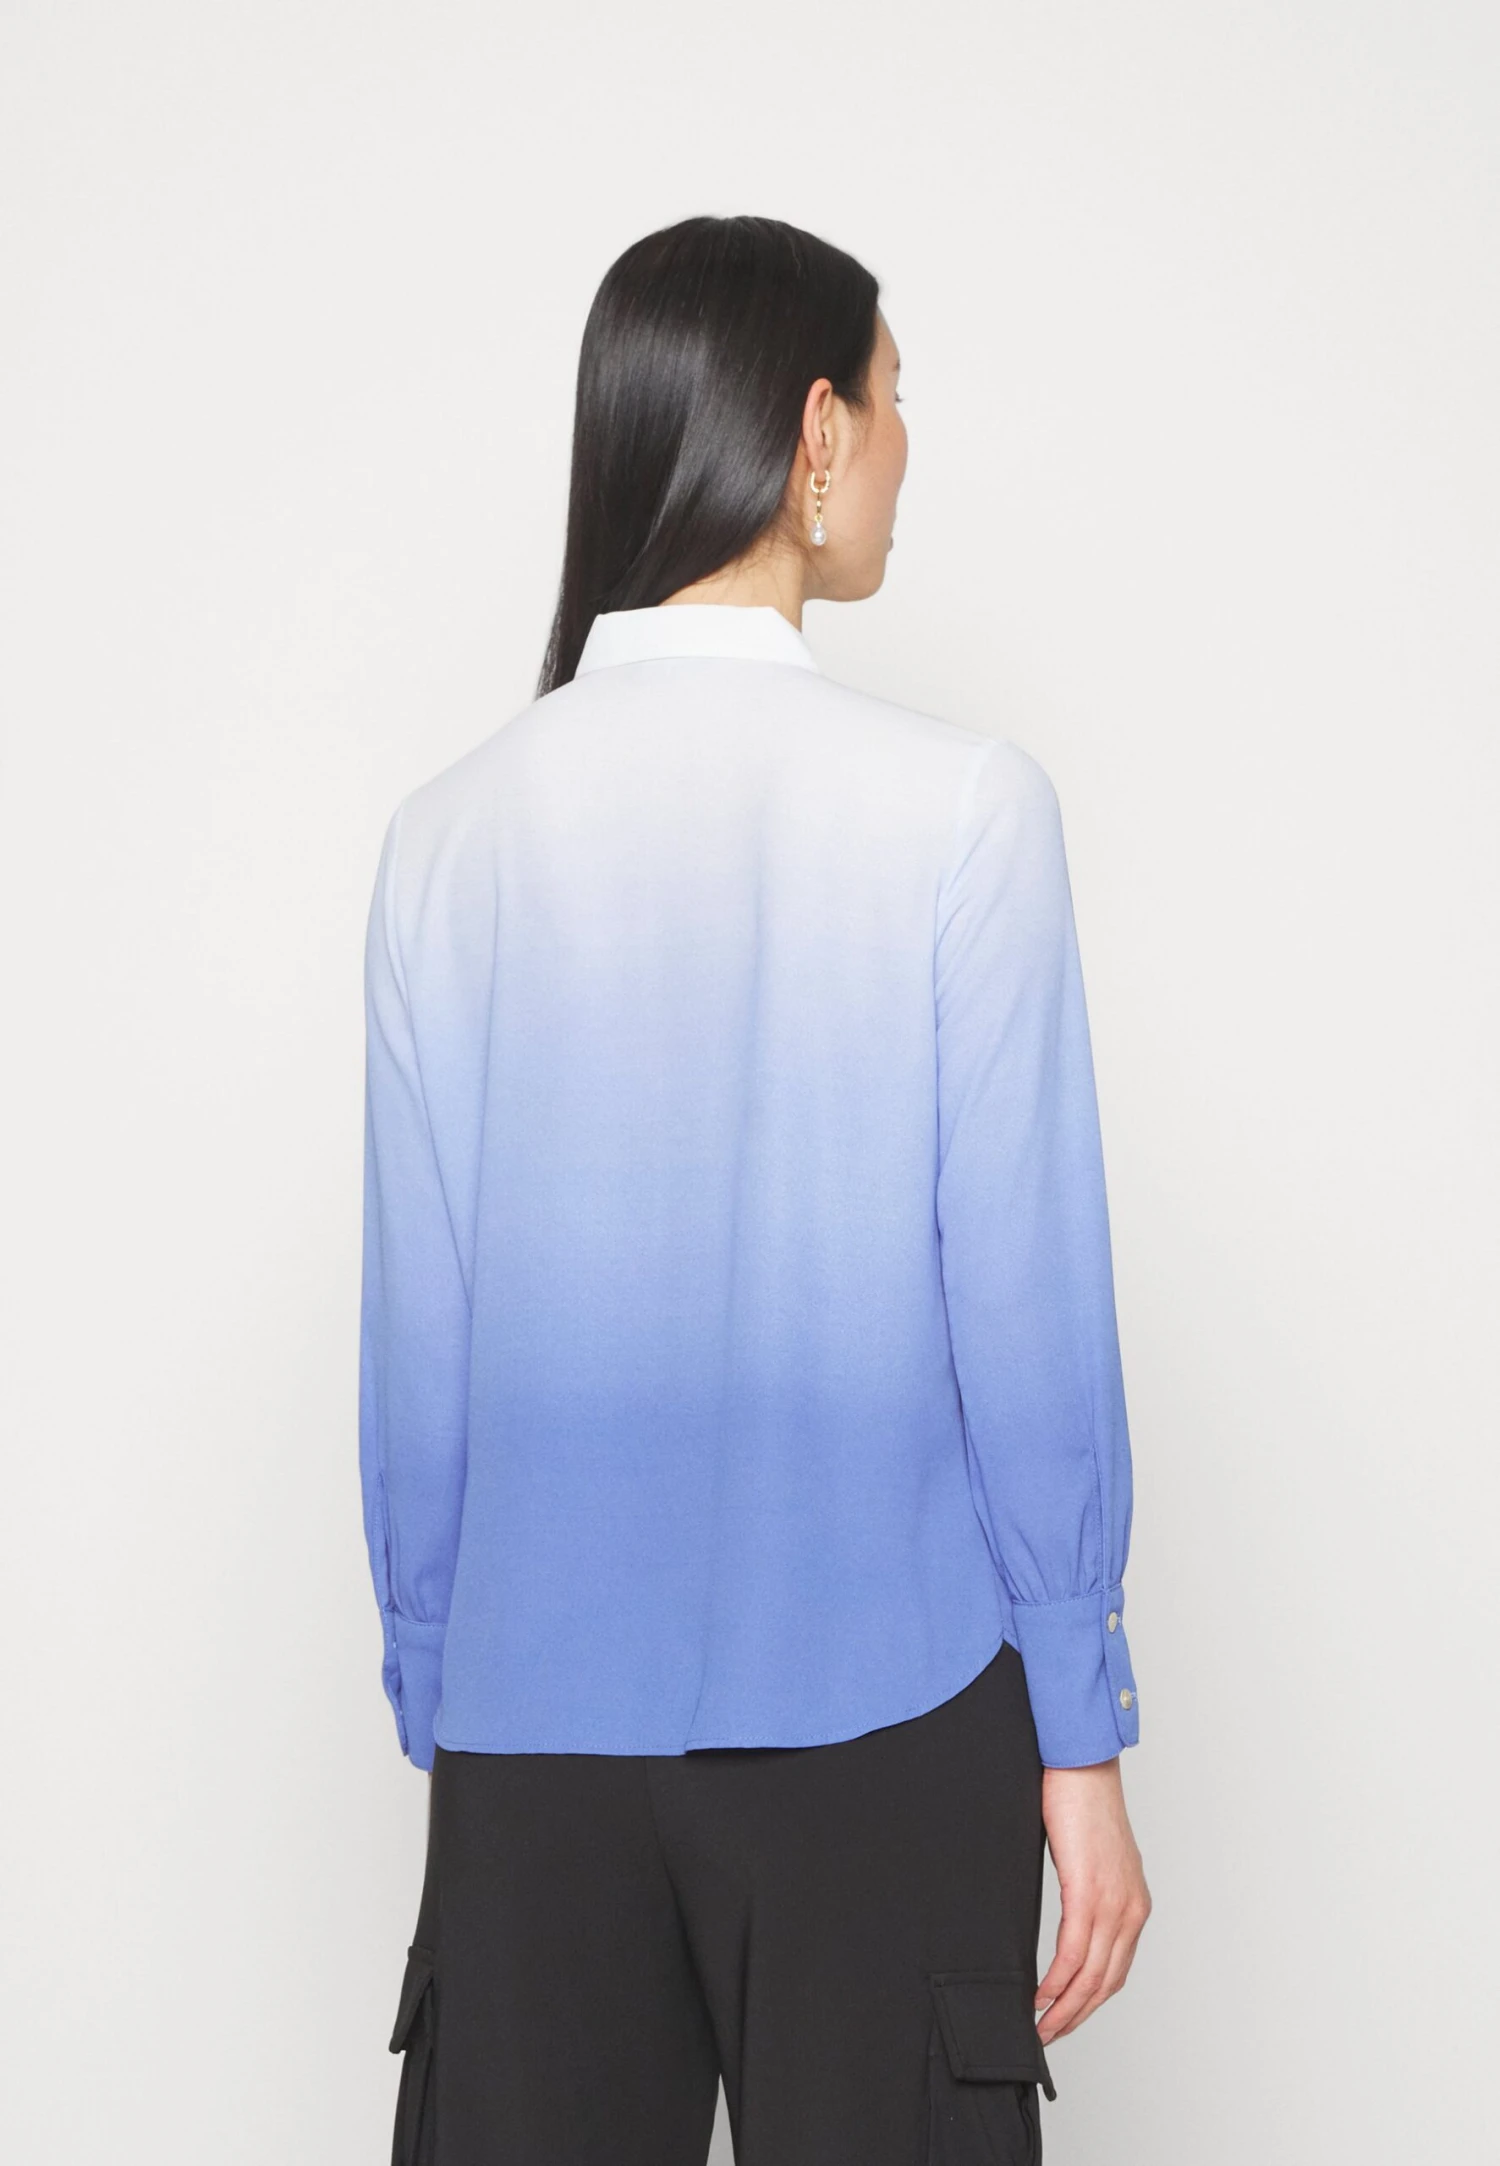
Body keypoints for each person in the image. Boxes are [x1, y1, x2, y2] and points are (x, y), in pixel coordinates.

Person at [360, 213, 1151, 2166]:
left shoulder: (446, 838)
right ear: (814, 432)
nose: (905, 445)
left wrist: (445, 1681)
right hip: (892, 1720)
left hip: (534, 1732)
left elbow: (422, 1340)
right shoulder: (966, 812)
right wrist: (1079, 1726)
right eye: (893, 398)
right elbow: (1024, 1307)